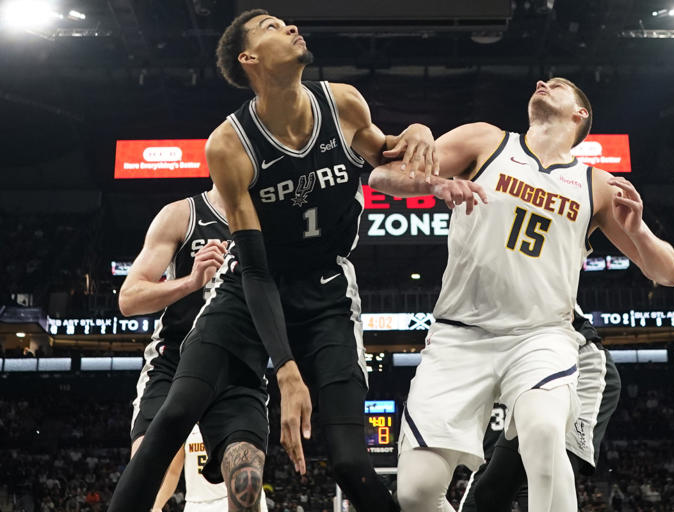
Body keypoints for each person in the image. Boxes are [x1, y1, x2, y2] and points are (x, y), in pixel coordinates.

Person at [109, 8, 438, 512]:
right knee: (172, 419)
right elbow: (257, 268)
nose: (290, 26)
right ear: (250, 59)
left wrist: (419, 130)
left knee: (351, 463)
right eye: (270, 26)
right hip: (250, 287)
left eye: (287, 22)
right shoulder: (228, 144)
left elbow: (387, 157)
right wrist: (285, 370)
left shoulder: (343, 103)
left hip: (325, 289)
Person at [369, 77, 674, 512]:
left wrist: (639, 231)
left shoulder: (598, 185)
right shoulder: (485, 139)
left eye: (556, 84)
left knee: (544, 434)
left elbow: (667, 273)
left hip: (541, 335)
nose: (541, 83)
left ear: (580, 114)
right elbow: (383, 175)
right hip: (460, 334)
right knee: (416, 492)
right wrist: (435, 185)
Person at [120, 189, 230, 512]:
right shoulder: (182, 214)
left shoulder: (264, 216)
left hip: (229, 364)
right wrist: (190, 282)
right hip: (173, 358)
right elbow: (128, 298)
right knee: (152, 467)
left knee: (239, 476)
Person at [457, 308, 622, 512]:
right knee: (489, 493)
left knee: (546, 482)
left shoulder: (531, 282)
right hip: (531, 377)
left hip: (577, 369)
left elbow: (564, 313)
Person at [184, 423, 268, 511]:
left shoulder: (237, 420)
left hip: (231, 498)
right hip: (196, 502)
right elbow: (173, 472)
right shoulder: (185, 426)